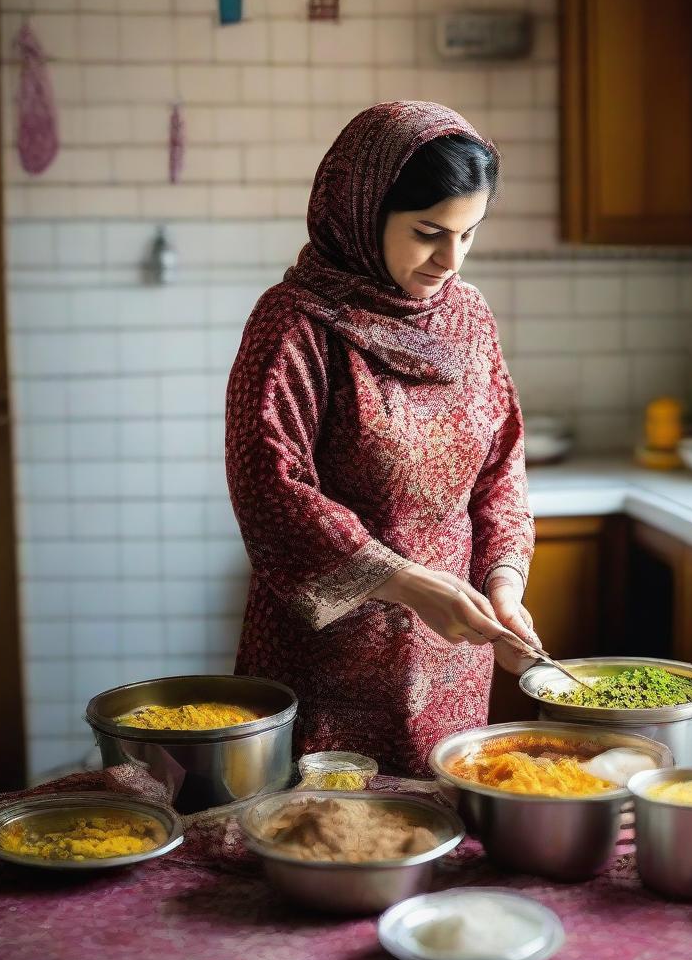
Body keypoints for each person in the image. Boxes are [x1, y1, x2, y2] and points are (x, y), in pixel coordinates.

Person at [225, 101, 540, 776]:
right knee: (327, 840)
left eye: (469, 233)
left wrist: (505, 584)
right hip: (329, 663)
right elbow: (271, 491)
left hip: (453, 652)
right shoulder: (294, 323)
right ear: (365, 211)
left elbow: (500, 467)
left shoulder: (469, 317)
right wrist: (405, 582)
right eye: (429, 232)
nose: (449, 259)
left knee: (443, 834)